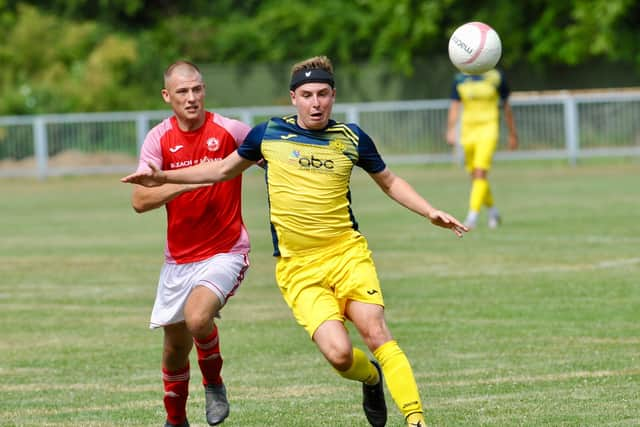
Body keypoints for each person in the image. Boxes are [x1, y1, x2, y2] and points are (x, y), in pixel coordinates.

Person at [122, 55, 468, 427]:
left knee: (375, 330)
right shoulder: (267, 135)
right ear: (293, 98)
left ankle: (416, 419)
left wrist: (429, 210)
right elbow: (220, 169)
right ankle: (371, 377)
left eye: (322, 94)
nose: (315, 102)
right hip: (299, 267)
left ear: (333, 96)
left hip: (346, 253)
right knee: (338, 355)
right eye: (307, 94)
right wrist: (162, 178)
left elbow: (390, 181)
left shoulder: (351, 138)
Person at [129, 60, 252, 427]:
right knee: (173, 350)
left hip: (226, 251)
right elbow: (139, 200)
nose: (192, 97)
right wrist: (195, 179)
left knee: (199, 319)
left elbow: (268, 156)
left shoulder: (229, 130)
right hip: (179, 260)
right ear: (167, 96)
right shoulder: (158, 138)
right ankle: (175, 421)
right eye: (182, 91)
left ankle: (214, 384)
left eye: (197, 88)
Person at [446, 68, 518, 229]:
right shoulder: (460, 78)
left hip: (488, 129)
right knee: (476, 177)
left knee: (480, 172)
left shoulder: (496, 77)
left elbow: (506, 106)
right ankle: (493, 211)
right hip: (468, 131)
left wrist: (512, 133)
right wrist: (450, 129)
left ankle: (472, 217)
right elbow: (455, 106)